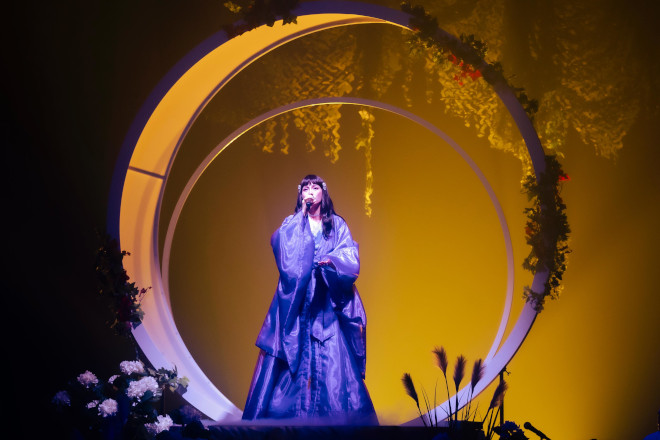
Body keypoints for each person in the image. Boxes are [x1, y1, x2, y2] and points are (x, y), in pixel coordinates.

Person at [242, 174, 377, 424]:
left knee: (333, 359)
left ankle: (333, 420)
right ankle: (285, 418)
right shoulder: (293, 222)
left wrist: (331, 261)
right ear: (300, 194)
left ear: (323, 193)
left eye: (315, 187)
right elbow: (281, 246)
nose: (311, 192)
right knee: (290, 353)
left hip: (324, 300)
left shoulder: (336, 224)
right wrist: (300, 218)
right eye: (306, 188)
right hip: (298, 301)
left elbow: (349, 255)